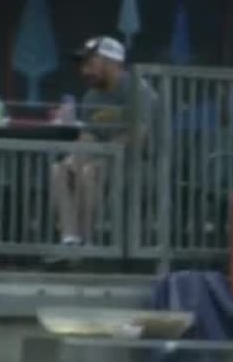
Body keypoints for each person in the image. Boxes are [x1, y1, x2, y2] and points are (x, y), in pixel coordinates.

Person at [50, 36, 155, 249]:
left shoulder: (137, 88)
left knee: (90, 171)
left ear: (111, 62)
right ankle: (70, 238)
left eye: (90, 63)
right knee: (59, 169)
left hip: (141, 164)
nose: (84, 71)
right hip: (106, 159)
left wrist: (98, 155)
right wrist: (75, 159)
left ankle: (89, 243)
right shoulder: (91, 96)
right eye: (83, 65)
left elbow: (138, 137)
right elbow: (87, 137)